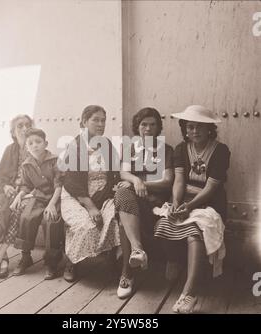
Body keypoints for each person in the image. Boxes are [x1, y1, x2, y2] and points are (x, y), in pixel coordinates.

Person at [154, 105, 230, 313]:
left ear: (209, 129)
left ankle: (189, 293)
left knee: (195, 231)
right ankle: (175, 259)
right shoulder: (181, 148)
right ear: (185, 129)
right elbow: (178, 180)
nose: (194, 131)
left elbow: (211, 187)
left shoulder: (220, 150)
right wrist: (177, 203)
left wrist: (190, 206)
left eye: (199, 127)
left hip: (209, 202)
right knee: (163, 222)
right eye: (190, 127)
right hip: (184, 200)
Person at [0, 128, 64, 280]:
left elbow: (59, 185)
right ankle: (26, 256)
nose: (35, 145)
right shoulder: (26, 164)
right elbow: (26, 185)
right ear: (26, 147)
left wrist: (51, 204)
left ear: (45, 143)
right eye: (30, 143)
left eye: (38, 142)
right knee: (26, 217)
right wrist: (19, 196)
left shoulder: (55, 160)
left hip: (55, 198)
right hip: (38, 197)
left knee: (51, 220)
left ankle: (51, 262)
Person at [114, 107, 174, 298]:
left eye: (152, 124)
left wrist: (143, 183)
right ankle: (138, 250)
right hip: (133, 198)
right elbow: (124, 173)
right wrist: (136, 180)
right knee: (124, 194)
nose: (148, 128)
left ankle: (127, 274)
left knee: (125, 216)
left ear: (158, 127)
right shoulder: (130, 147)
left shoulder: (166, 150)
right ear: (137, 127)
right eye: (143, 124)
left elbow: (167, 180)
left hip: (155, 201)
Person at [60, 105, 121, 283]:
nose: (100, 124)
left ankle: (112, 260)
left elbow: (114, 174)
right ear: (84, 122)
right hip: (76, 196)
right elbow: (72, 183)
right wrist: (92, 207)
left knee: (112, 219)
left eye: (103, 120)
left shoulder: (107, 145)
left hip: (102, 194)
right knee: (86, 225)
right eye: (95, 120)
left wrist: (107, 192)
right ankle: (71, 262)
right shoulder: (75, 146)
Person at [0, 114, 33, 278]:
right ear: (13, 132)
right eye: (20, 126)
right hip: (9, 193)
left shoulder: (36, 147)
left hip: (27, 195)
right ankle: (3, 258)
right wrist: (5, 186)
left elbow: (42, 180)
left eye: (27, 125)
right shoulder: (9, 150)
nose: (25, 129)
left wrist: (22, 192)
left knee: (16, 210)